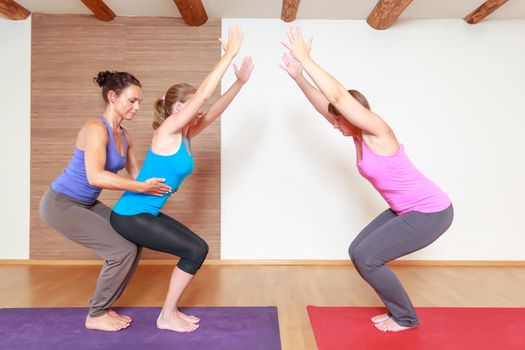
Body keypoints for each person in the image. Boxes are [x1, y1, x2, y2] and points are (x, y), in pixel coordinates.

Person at [281, 25, 453, 332]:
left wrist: (306, 58)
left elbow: (337, 96)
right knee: (358, 252)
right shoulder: (356, 135)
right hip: (407, 210)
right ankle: (396, 311)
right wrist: (298, 77)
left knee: (367, 256)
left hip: (431, 212)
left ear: (354, 113)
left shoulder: (376, 130)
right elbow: (328, 105)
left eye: (339, 118)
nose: (334, 124)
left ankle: (405, 318)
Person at [110, 26, 253, 333]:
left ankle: (170, 312)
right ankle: (167, 315)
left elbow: (212, 109)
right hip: (130, 215)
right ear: (175, 109)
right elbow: (203, 95)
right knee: (195, 249)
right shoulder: (166, 132)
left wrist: (239, 83)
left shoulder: (186, 134)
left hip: (144, 213)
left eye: (194, 107)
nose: (196, 110)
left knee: (197, 248)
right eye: (187, 106)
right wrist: (228, 54)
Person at [39, 71, 171, 332]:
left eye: (140, 102)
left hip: (86, 203)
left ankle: (105, 306)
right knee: (120, 250)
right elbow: (96, 177)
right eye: (132, 101)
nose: (137, 107)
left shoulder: (125, 136)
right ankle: (96, 313)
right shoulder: (95, 129)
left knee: (133, 239)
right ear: (113, 97)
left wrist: (171, 121)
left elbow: (137, 177)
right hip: (61, 204)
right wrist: (141, 186)